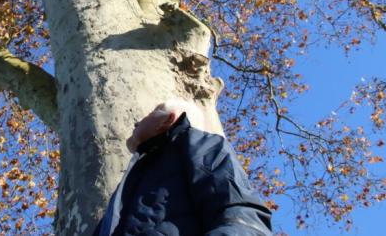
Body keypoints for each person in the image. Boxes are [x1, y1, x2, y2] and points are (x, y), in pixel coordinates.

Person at [93, 99, 273, 236]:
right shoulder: (135, 178)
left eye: (150, 113)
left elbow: (243, 217)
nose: (136, 123)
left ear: (168, 119)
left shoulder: (200, 144)